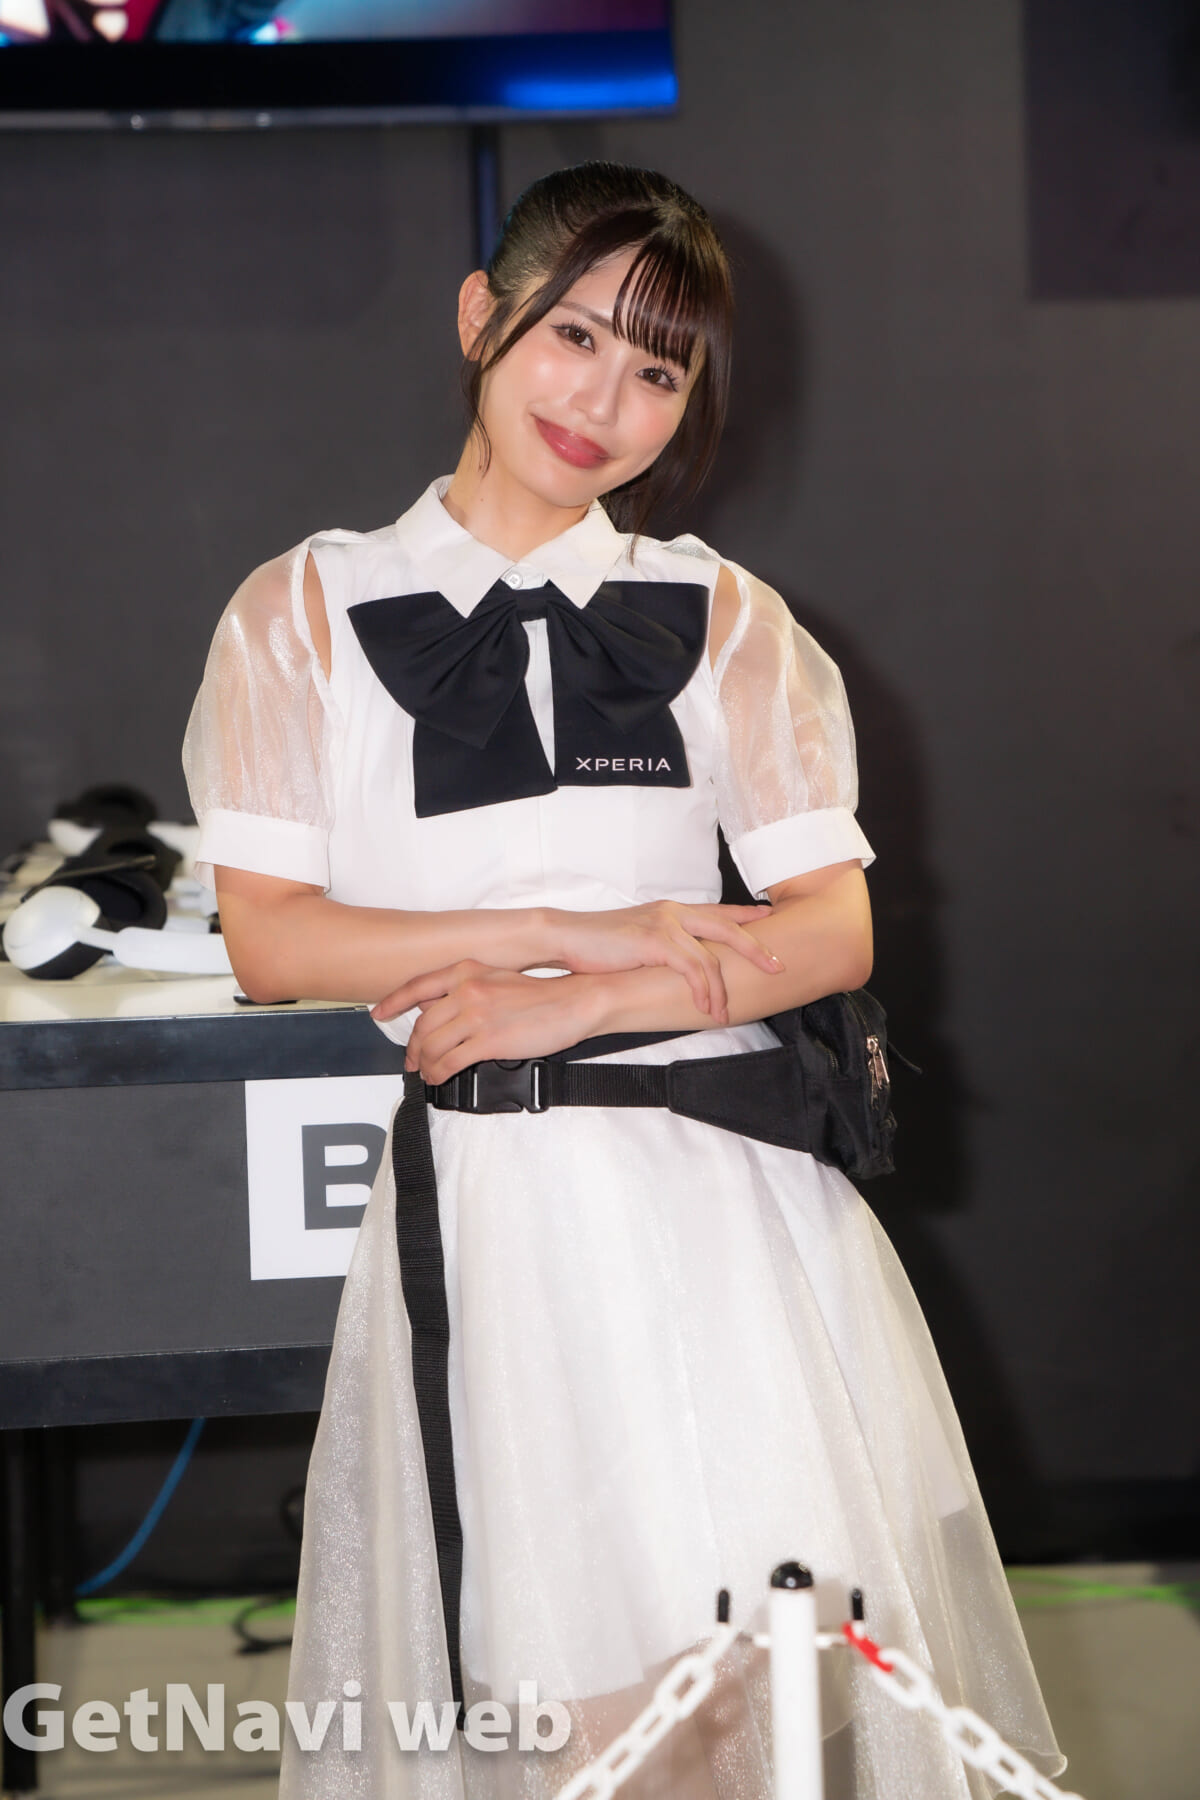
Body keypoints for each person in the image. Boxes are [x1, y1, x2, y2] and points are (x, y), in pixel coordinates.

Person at [183, 162, 1063, 1800]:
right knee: (580, 1730)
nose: (603, 401)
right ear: (481, 316)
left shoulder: (726, 616)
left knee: (745, 1727)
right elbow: (273, 939)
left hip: (728, 1208)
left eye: (658, 368)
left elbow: (834, 931)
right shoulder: (301, 612)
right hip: (504, 1228)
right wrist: (579, 932)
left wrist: (580, 999)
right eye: (574, 335)